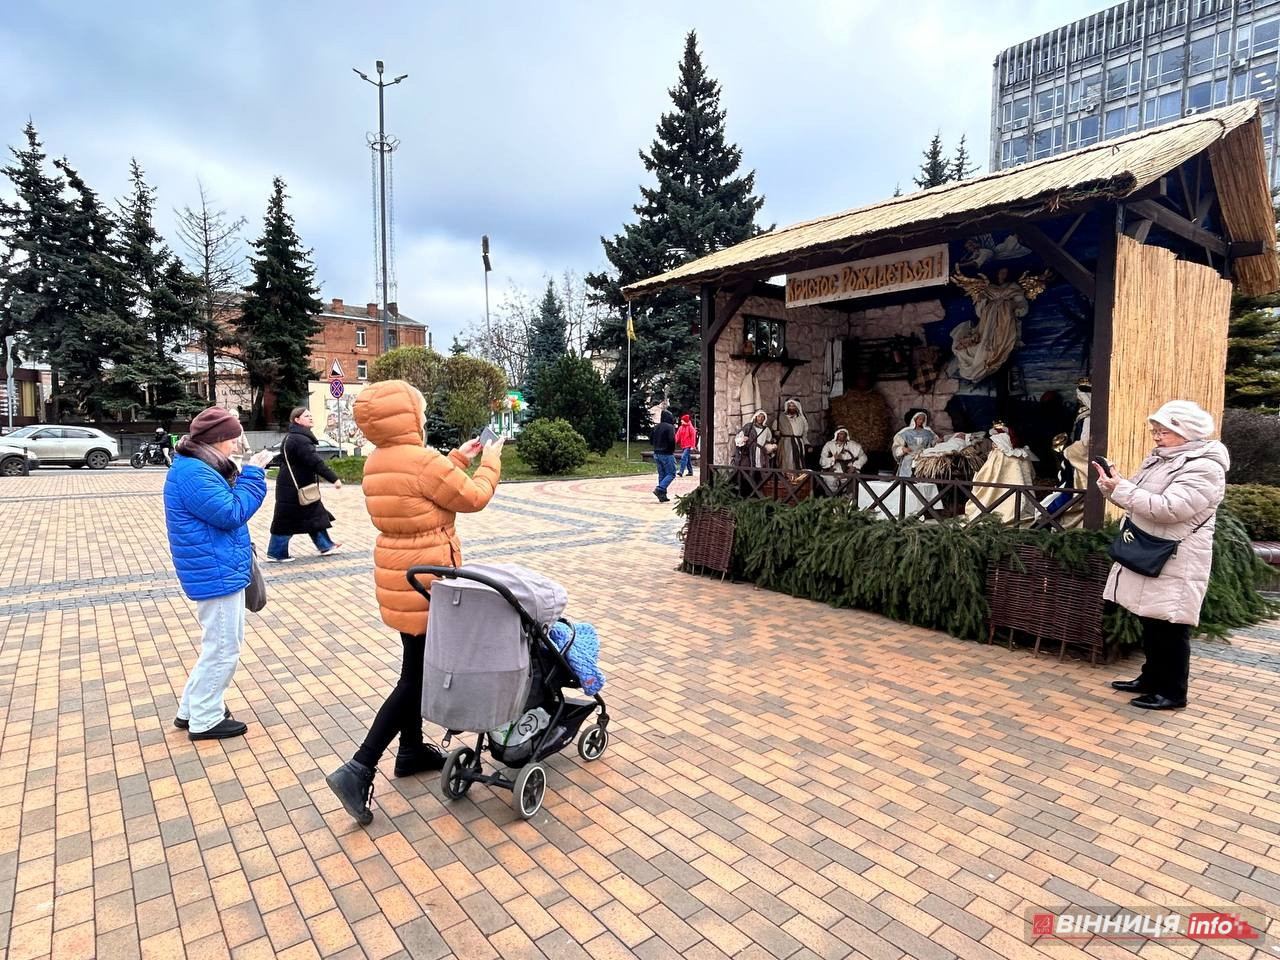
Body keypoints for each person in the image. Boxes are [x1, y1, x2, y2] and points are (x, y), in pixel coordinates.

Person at [326, 379, 503, 824]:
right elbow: (473, 498)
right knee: (416, 678)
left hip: (398, 572)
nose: (423, 418)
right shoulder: (422, 461)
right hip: (429, 576)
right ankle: (359, 767)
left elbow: (419, 488)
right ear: (407, 417)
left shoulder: (378, 460)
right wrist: (491, 461)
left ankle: (409, 752)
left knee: (414, 666)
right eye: (419, 412)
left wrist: (458, 459)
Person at [1095, 400, 1228, 711]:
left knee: (1170, 626)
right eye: (1154, 430)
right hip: (1154, 550)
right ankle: (1151, 678)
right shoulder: (1161, 459)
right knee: (1151, 620)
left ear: (1186, 432)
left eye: (1163, 431)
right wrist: (1111, 486)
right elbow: (1136, 499)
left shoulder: (1204, 466)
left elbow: (1170, 508)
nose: (1155, 436)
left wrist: (1123, 489)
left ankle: (1172, 692)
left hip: (1176, 557)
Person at [164, 408, 274, 740]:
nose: (237, 443)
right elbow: (231, 512)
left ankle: (191, 708)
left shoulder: (196, 466)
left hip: (216, 566)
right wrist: (254, 475)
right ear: (220, 440)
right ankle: (206, 718)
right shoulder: (194, 473)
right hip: (215, 571)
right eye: (234, 437)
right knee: (224, 647)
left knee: (217, 644)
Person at [267, 407, 344, 562]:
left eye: (310, 414)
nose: (310, 417)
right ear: (297, 420)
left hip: (294, 486)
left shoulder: (294, 437)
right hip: (294, 489)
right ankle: (276, 552)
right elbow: (315, 462)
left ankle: (326, 545)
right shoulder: (300, 440)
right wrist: (334, 479)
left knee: (314, 515)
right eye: (306, 416)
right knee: (286, 520)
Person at [818, 427, 866, 495]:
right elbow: (822, 461)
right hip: (832, 472)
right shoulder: (829, 445)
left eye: (844, 434)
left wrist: (854, 466)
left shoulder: (853, 445)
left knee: (851, 487)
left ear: (846, 435)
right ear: (836, 435)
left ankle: (847, 501)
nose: (842, 436)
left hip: (848, 472)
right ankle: (832, 500)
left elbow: (863, 457)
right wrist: (833, 458)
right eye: (840, 434)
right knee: (830, 484)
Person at [891, 411, 938, 477]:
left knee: (923, 473)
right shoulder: (907, 432)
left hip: (923, 456)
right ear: (915, 419)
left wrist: (938, 441)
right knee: (907, 470)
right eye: (919, 419)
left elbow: (934, 443)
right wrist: (902, 449)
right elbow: (896, 445)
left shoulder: (928, 432)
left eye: (923, 420)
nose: (921, 421)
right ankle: (905, 483)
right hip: (910, 455)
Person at [651, 409, 677, 503]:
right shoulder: (670, 427)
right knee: (671, 473)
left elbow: (651, 440)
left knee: (662, 474)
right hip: (667, 453)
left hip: (656, 453)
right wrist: (672, 450)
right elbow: (672, 440)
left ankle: (662, 495)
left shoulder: (656, 427)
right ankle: (660, 489)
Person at [777, 399, 808, 471]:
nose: (791, 407)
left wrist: (807, 443)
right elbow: (775, 428)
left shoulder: (801, 418)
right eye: (789, 406)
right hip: (786, 443)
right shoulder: (781, 417)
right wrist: (776, 433)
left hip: (798, 443)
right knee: (787, 461)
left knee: (798, 461)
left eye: (793, 406)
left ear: (797, 407)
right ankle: (786, 477)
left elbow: (805, 433)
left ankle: (797, 478)